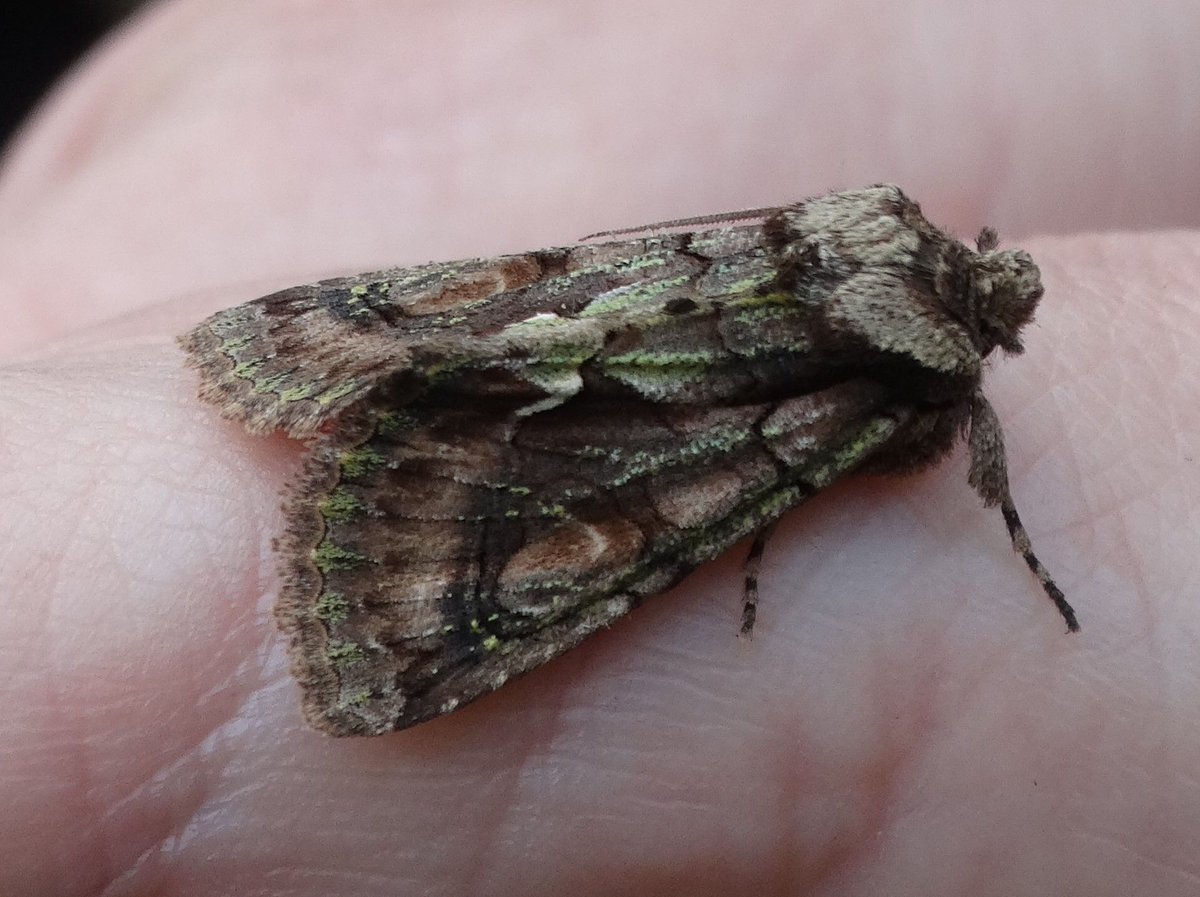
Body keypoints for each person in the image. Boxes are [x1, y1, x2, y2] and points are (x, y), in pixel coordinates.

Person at [0, 2, 1195, 894]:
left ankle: (334, 349)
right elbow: (917, 448)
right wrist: (1002, 539)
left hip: (603, 305)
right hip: (663, 434)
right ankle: (395, 539)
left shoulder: (884, 282)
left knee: (540, 300)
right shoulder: (919, 382)